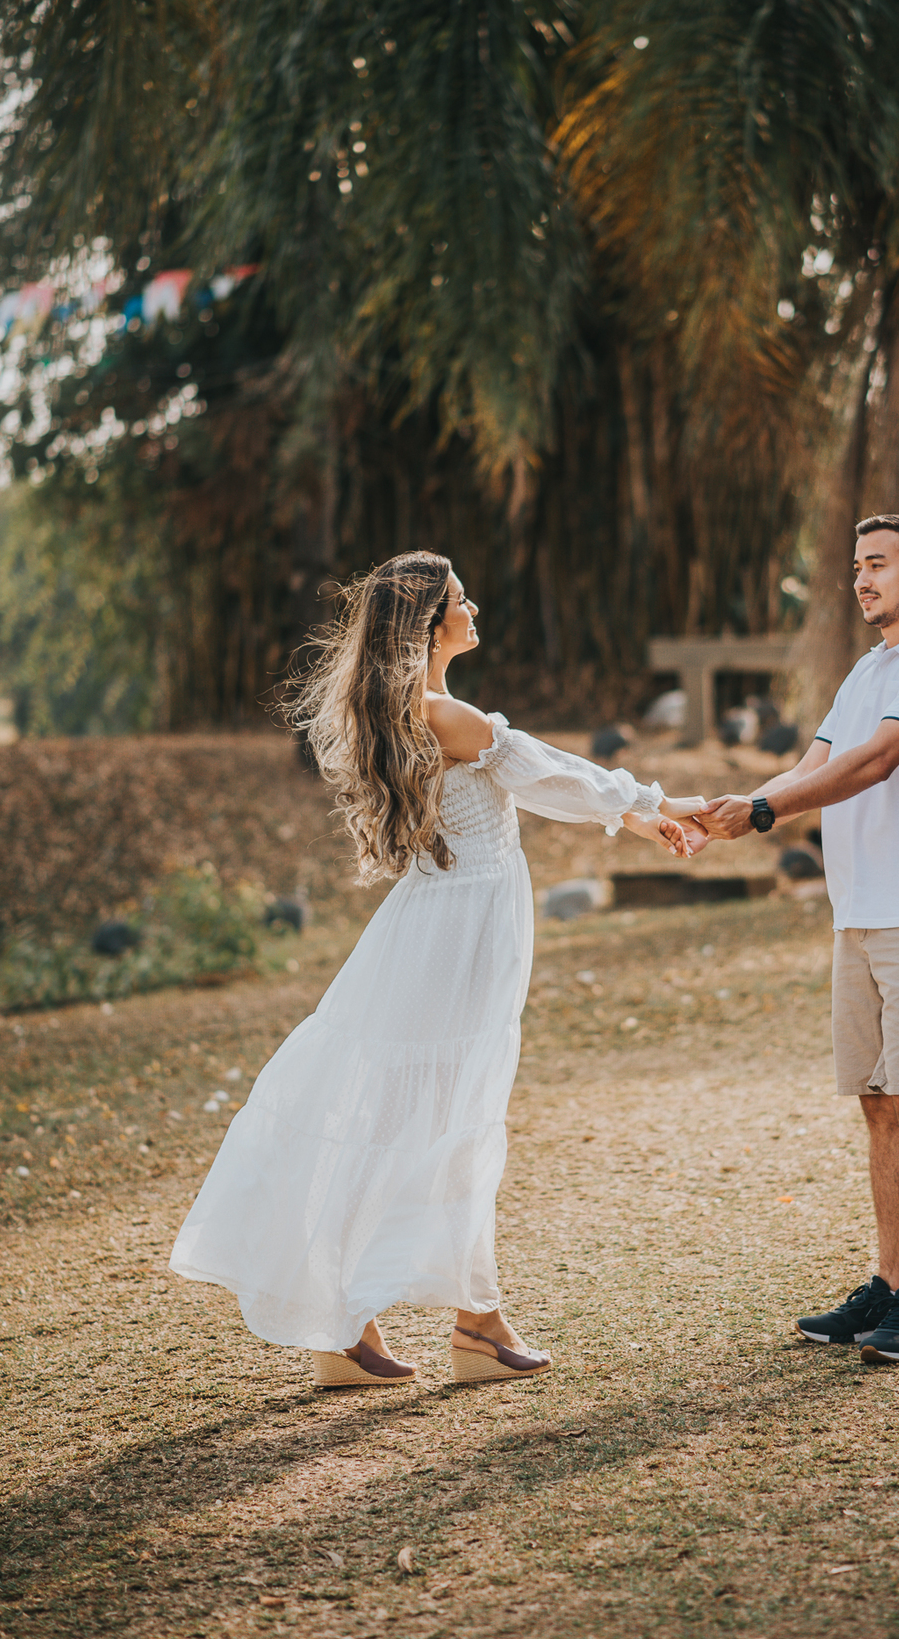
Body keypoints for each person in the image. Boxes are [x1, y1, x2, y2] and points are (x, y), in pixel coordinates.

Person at [170, 551, 705, 1388]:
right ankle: (470, 1326)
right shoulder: (445, 715)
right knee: (454, 1117)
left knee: (408, 1117)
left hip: (431, 929)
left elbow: (553, 784)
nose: (474, 607)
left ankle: (356, 1328)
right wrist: (655, 805)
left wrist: (639, 816)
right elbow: (554, 775)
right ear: (428, 624)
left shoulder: (398, 712)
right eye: (459, 599)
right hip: (463, 936)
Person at [696, 515, 899, 1364]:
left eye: (879, 564)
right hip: (857, 910)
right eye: (857, 565)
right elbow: (814, 764)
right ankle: (886, 1284)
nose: (861, 579)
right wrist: (723, 813)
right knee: (875, 1101)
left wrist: (764, 811)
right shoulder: (868, 669)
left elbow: (874, 763)